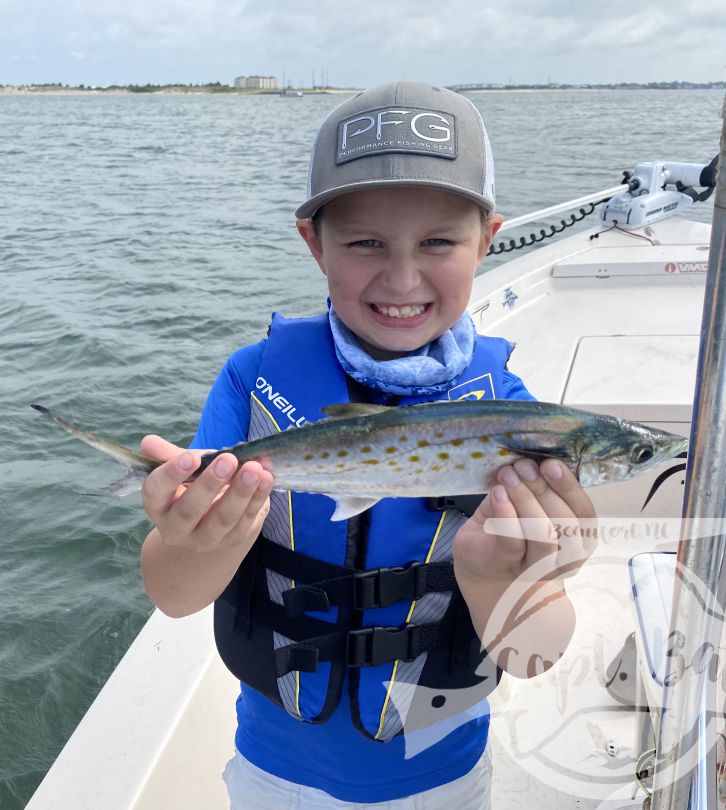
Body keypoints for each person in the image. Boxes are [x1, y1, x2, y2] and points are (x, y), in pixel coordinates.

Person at [137, 81, 598, 809]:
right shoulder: (253, 381)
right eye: (366, 243)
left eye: (439, 242)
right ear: (313, 243)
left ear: (490, 239)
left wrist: (498, 579)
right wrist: (198, 540)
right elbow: (173, 594)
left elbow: (532, 654)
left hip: (441, 778)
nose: (403, 278)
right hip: (275, 775)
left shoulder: (512, 416)